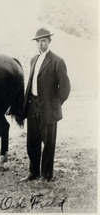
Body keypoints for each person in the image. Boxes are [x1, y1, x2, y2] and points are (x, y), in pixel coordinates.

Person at [21, 28, 71, 182]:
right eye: (38, 41)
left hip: (49, 109)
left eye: (43, 40)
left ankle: (46, 175)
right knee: (32, 141)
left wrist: (55, 104)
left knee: (48, 143)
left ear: (49, 41)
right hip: (32, 106)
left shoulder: (57, 61)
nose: (40, 44)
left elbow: (65, 88)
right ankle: (33, 172)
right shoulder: (33, 59)